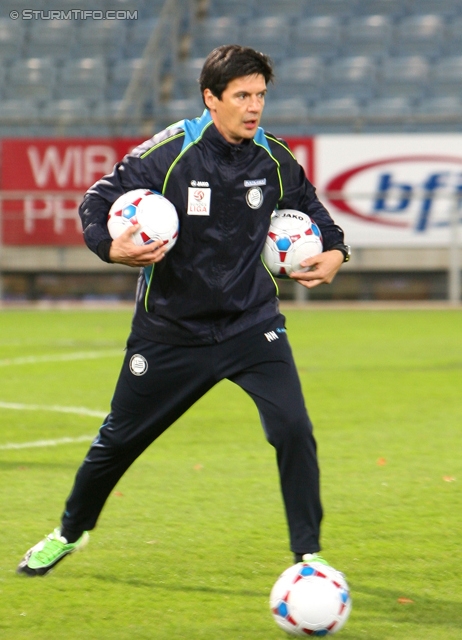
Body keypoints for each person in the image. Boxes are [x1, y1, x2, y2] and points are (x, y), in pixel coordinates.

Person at [17, 45, 350, 577]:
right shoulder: (171, 151)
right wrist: (110, 246)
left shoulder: (274, 158)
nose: (254, 106)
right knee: (118, 441)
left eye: (260, 95)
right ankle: (69, 532)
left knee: (292, 428)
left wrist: (336, 251)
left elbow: (317, 214)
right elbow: (96, 200)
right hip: (170, 330)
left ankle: (308, 555)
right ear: (210, 99)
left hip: (251, 324)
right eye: (242, 95)